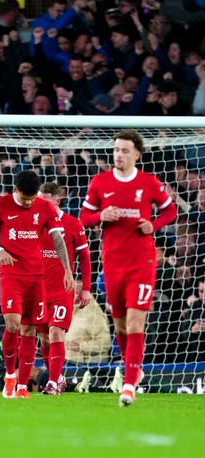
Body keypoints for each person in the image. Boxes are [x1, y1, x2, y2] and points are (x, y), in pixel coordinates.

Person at [79, 129, 177, 407]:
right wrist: (101, 215)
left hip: (142, 263)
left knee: (135, 322)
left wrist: (153, 225)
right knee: (120, 327)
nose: (119, 155)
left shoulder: (148, 183)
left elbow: (170, 211)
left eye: (124, 150)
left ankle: (130, 384)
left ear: (137, 154)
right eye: (116, 150)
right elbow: (84, 217)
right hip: (112, 264)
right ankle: (133, 364)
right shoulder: (101, 182)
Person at [0, 170, 74, 399]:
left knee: (30, 329)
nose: (29, 203)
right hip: (11, 276)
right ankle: (10, 376)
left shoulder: (44, 207)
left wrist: (68, 271)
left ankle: (22, 387)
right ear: (15, 191)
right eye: (24, 199)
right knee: (13, 325)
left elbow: (58, 239)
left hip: (37, 278)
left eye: (32, 199)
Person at [37, 181, 92, 395]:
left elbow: (85, 258)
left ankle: (51, 383)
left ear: (56, 200)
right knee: (43, 338)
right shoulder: (33, 223)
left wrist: (85, 288)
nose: (39, 203)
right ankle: (58, 377)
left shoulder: (72, 224)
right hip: (38, 288)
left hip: (62, 289)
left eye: (44, 200)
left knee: (56, 332)